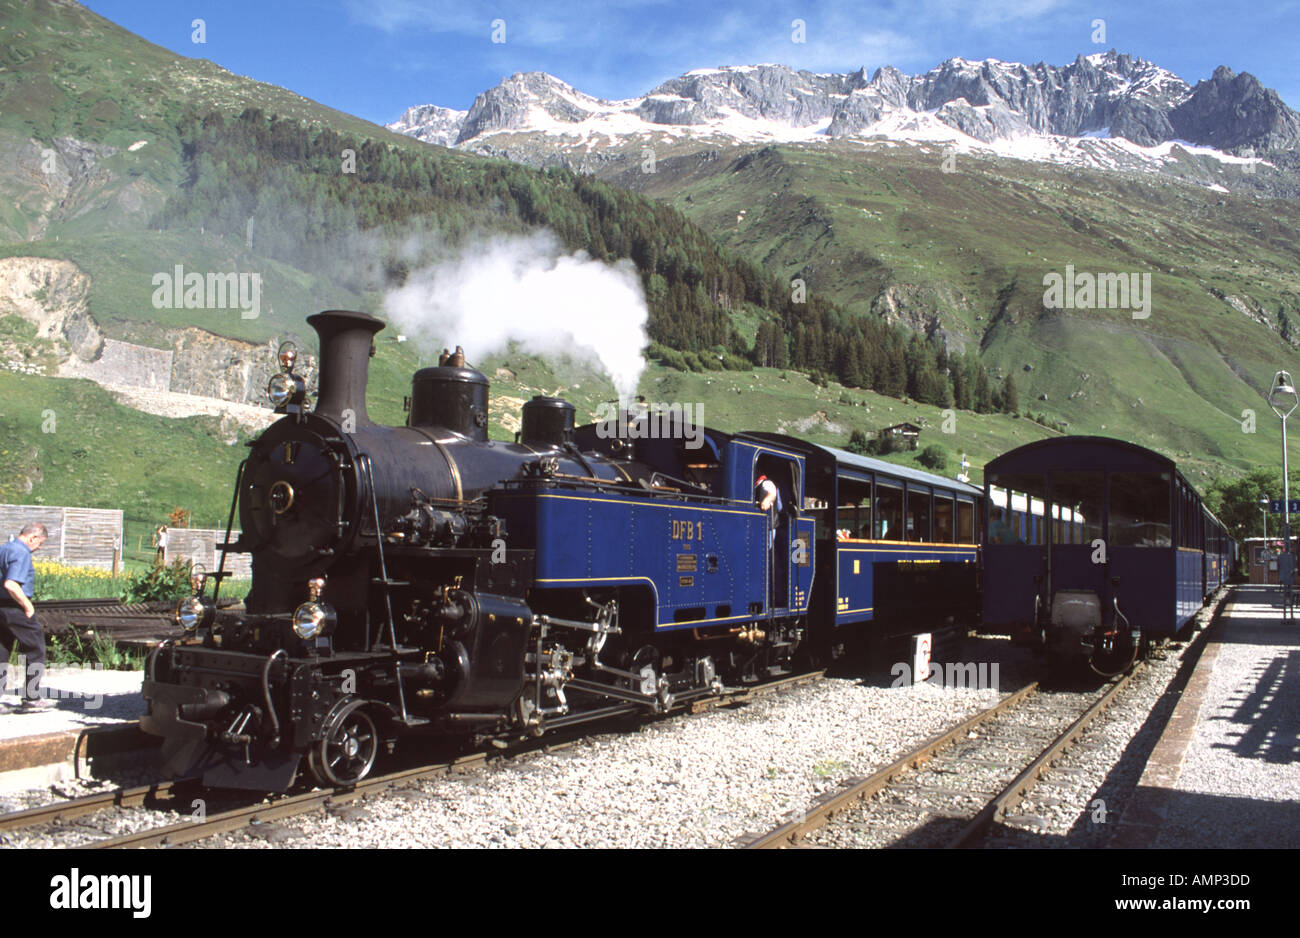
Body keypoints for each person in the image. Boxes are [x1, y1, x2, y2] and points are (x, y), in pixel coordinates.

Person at [0, 522, 53, 711]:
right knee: (35, 648)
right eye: (40, 543)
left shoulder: (4, 548)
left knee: (2, 651)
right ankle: (32, 698)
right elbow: (11, 584)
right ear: (33, 537)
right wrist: (27, 606)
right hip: (15, 608)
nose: (39, 548)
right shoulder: (21, 552)